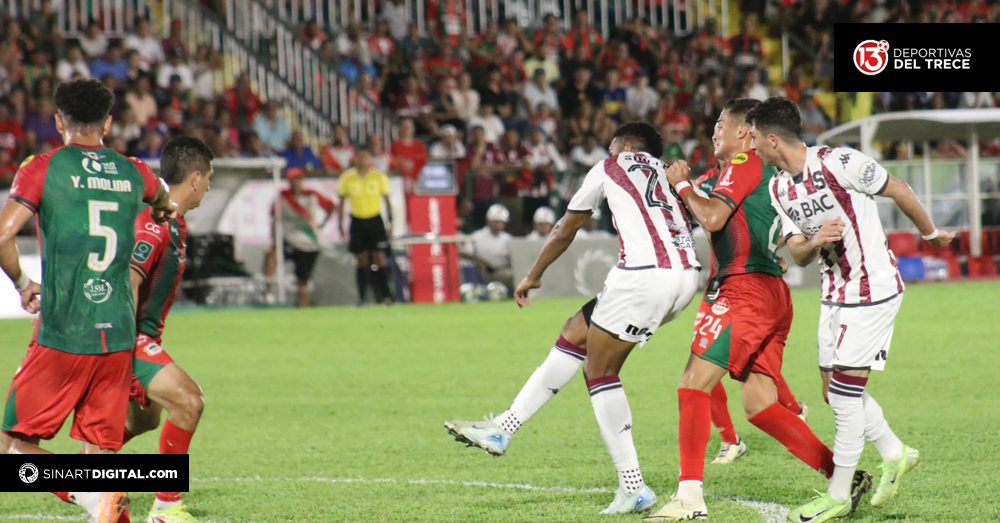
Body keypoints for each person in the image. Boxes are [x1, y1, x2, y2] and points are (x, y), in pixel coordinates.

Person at [448, 122, 700, 515]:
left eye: (614, 143)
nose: (609, 148)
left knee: (600, 372)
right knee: (575, 331)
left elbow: (566, 228)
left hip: (643, 276)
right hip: (686, 277)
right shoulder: (670, 172)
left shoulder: (610, 166)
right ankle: (503, 427)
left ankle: (633, 486)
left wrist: (533, 274)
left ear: (628, 145)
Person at [645, 99, 855, 521]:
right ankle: (842, 476)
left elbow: (713, 218)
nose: (714, 132)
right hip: (772, 291)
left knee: (692, 384)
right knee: (760, 405)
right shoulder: (763, 173)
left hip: (744, 290)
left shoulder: (744, 160)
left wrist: (683, 187)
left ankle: (689, 497)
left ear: (745, 132)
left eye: (721, 124)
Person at [748, 96, 954, 522]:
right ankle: (896, 452)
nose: (750, 146)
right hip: (833, 291)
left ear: (772, 139)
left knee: (844, 396)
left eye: (752, 138)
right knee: (833, 391)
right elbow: (800, 255)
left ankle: (839, 494)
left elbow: (896, 187)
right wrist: (816, 239)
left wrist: (930, 233)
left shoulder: (839, 162)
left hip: (872, 289)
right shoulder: (777, 186)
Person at [0, 79, 175, 521]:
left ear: (59, 121)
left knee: (10, 448)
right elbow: (165, 199)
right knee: (101, 450)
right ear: (109, 123)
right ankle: (104, 496)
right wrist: (159, 209)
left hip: (62, 332)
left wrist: (23, 282)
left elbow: (2, 235)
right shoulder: (136, 171)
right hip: (117, 333)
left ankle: (87, 493)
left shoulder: (42, 168)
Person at [123, 136, 214, 523]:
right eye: (208, 177)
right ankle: (165, 508)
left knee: (144, 420)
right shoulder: (156, 222)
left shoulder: (176, 223)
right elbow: (129, 278)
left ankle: (84, 475)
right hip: (126, 338)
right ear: (194, 178)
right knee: (189, 401)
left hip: (142, 338)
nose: (209, 185)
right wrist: (120, 345)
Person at [265, 168, 336, 307]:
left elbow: (331, 206)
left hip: (308, 242)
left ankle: (303, 307)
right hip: (289, 238)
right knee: (271, 255)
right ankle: (269, 291)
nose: (295, 183)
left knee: (304, 278)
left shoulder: (312, 195)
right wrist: (274, 239)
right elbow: (274, 217)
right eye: (293, 180)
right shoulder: (283, 196)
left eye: (298, 179)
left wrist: (322, 224)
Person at [338, 147, 394, 306]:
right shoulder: (347, 178)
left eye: (365, 156)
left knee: (379, 258)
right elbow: (341, 203)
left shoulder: (378, 176)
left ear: (369, 158)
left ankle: (385, 296)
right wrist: (340, 224)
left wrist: (390, 223)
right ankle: (362, 298)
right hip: (357, 220)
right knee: (361, 260)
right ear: (355, 157)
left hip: (375, 220)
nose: (362, 159)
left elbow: (387, 202)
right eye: (359, 156)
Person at [460, 203, 513, 290]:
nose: (498, 225)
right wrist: (480, 262)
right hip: (482, 272)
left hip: (503, 268)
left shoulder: (508, 238)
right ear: (488, 220)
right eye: (495, 221)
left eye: (500, 222)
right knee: (509, 275)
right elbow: (465, 253)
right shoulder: (476, 237)